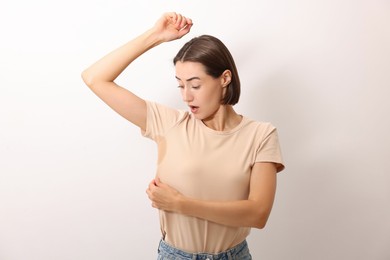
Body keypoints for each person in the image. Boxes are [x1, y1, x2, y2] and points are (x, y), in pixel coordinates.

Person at [82, 12, 284, 260]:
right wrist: (155, 36)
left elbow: (258, 214)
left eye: (195, 85)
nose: (186, 96)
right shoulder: (168, 123)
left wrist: (181, 204)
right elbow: (94, 78)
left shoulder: (261, 134)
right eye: (180, 84)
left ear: (224, 78)